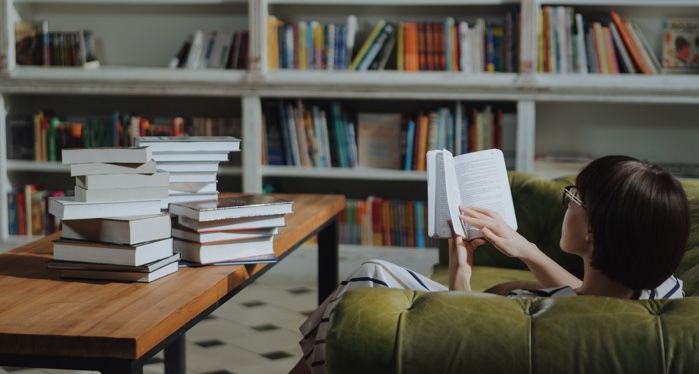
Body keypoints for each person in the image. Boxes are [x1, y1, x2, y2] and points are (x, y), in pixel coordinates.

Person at [292, 155, 690, 373]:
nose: (565, 201)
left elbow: (460, 341)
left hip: (466, 326)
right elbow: (591, 295)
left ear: (594, 232)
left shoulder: (541, 317)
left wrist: (460, 272)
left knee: (367, 277)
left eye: (574, 197)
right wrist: (527, 250)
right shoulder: (663, 290)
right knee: (375, 274)